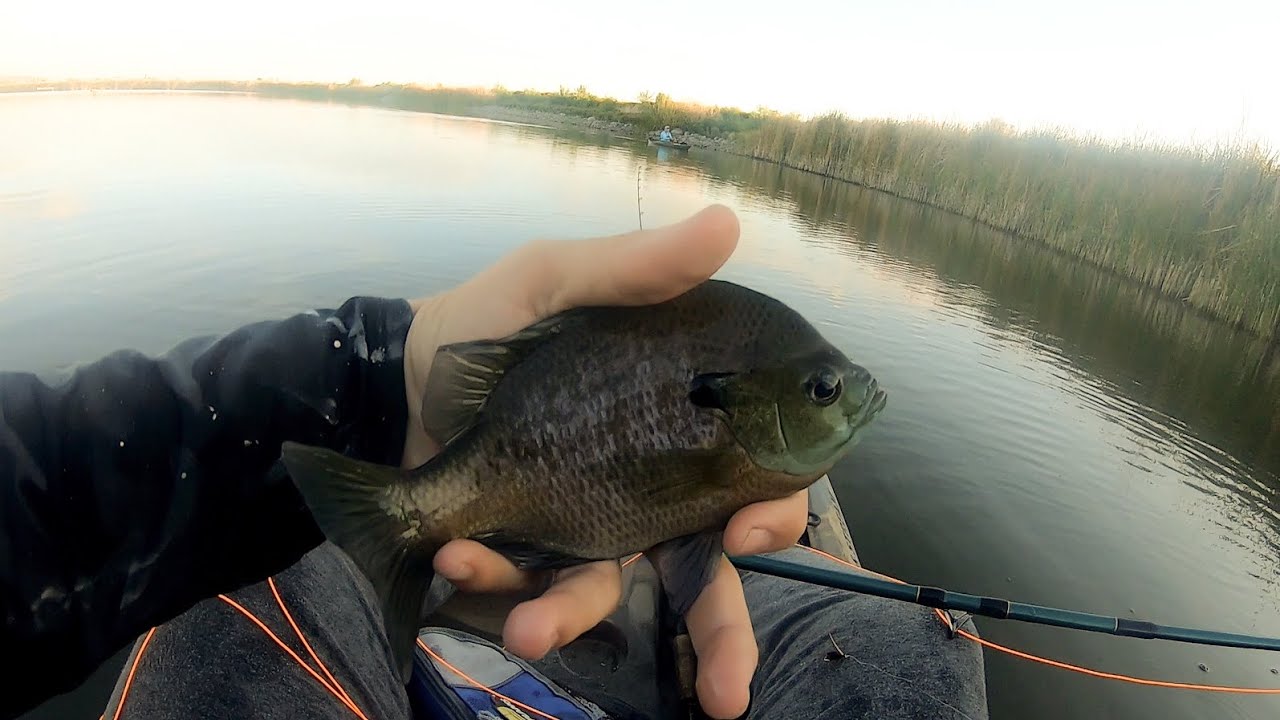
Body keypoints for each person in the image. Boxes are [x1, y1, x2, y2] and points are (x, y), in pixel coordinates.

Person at [1, 205, 988, 720]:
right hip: (516, 494)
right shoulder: (736, 404)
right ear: (758, 399)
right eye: (821, 389)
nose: (844, 395)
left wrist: (376, 383)